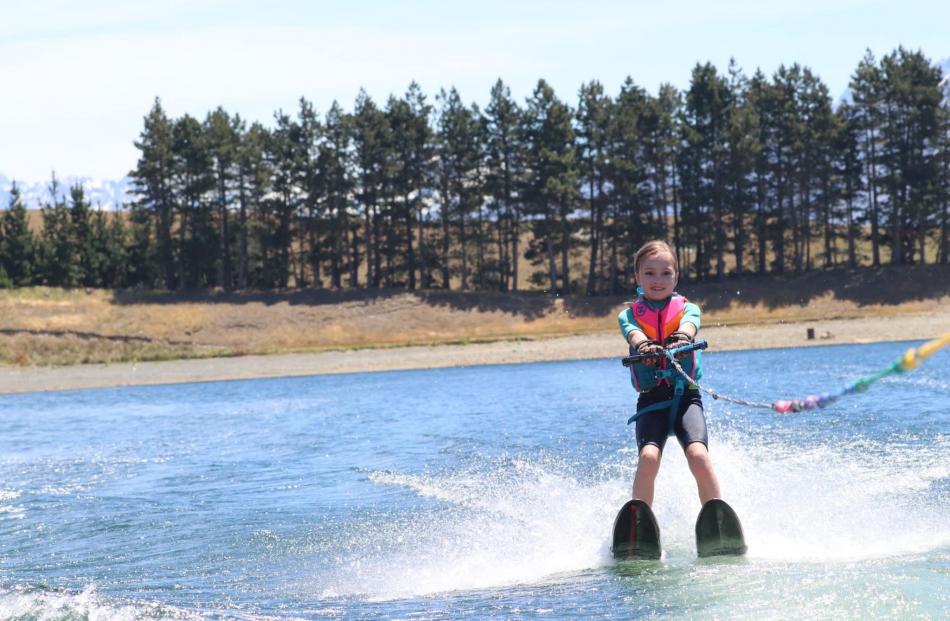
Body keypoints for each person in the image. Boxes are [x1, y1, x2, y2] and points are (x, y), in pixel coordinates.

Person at [617, 240, 721, 507]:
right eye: (649, 272)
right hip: (652, 400)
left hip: (686, 397)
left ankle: (717, 515)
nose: (658, 279)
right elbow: (633, 332)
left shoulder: (689, 309)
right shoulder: (628, 315)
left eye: (666, 273)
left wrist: (681, 337)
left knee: (698, 455)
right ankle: (639, 520)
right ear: (637, 276)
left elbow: (690, 325)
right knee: (648, 458)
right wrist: (644, 345)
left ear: (676, 277)